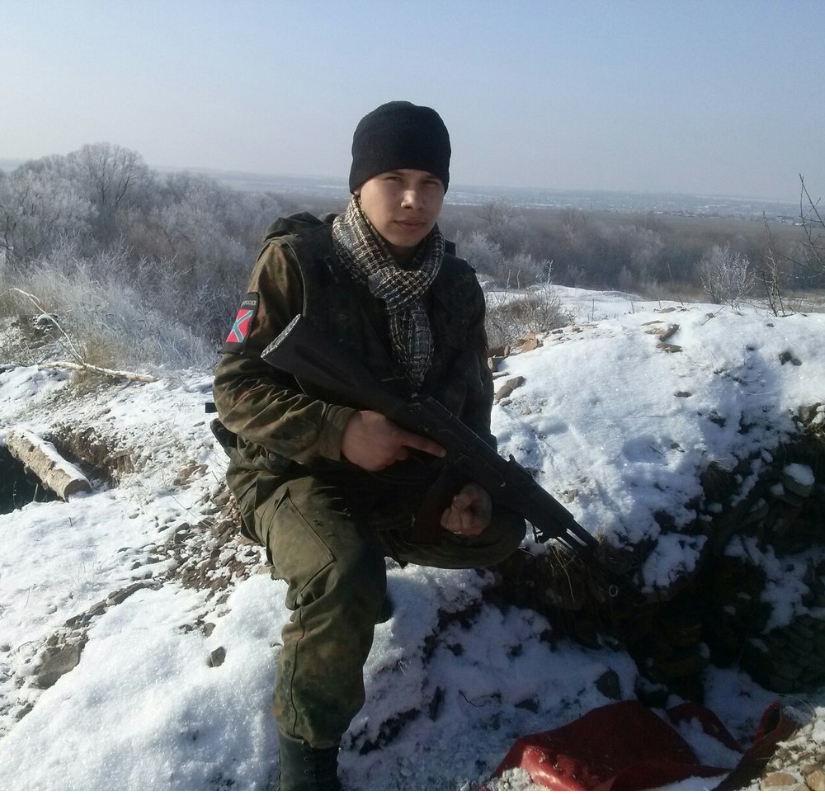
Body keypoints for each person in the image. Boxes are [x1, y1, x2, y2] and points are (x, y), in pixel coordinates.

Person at [212, 101, 525, 790]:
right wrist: (339, 431)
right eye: (395, 179)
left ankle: (365, 566)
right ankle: (306, 760)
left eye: (430, 183)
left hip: (400, 473)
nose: (413, 199)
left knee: (501, 528)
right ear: (359, 185)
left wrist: (468, 485)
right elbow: (234, 389)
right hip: (291, 472)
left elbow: (473, 404)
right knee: (344, 573)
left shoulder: (454, 284)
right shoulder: (295, 262)